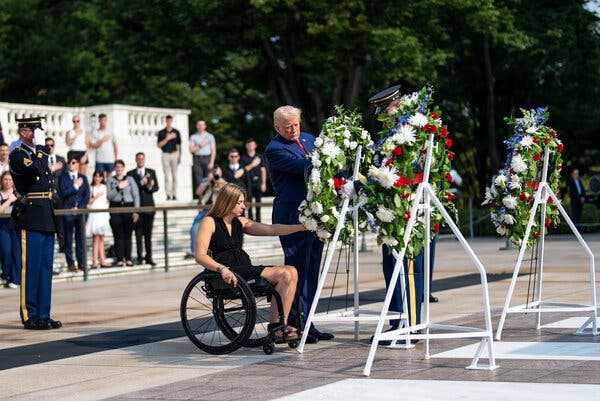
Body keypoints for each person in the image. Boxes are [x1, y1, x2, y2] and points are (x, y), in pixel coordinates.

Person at [195, 183, 303, 337]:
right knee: (285, 273)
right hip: (226, 271)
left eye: (243, 202)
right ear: (227, 201)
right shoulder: (209, 222)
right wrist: (222, 268)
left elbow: (271, 229)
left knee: (292, 271)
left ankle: (279, 325)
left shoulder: (241, 222)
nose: (244, 206)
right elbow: (200, 255)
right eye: (239, 202)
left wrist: (300, 228)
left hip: (244, 269)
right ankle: (277, 327)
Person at [264, 105, 332, 343]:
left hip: (315, 215)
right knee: (297, 270)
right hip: (292, 217)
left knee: (313, 270)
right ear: (276, 127)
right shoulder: (275, 149)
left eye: (296, 124)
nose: (293, 130)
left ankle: (308, 320)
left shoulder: (309, 139)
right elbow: (305, 167)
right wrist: (332, 158)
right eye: (287, 126)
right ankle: (294, 323)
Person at [9, 117, 61, 330]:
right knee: (30, 268)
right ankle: (29, 314)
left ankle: (43, 313)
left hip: (46, 214)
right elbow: (37, 171)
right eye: (34, 130)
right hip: (31, 215)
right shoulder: (18, 155)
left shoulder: (37, 154)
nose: (38, 134)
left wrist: (41, 149)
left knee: (45, 267)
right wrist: (41, 147)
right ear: (23, 132)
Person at [58, 157, 90, 272]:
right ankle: (71, 263)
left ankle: (81, 263)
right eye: (69, 163)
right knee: (68, 239)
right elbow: (63, 193)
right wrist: (75, 186)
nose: (71, 164)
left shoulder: (83, 178)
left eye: (73, 162)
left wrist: (79, 207)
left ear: (77, 164)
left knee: (80, 239)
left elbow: (86, 196)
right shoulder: (62, 177)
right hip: (68, 212)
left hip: (80, 213)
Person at [127, 152, 158, 266]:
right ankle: (140, 257)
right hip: (137, 208)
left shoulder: (151, 172)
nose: (140, 160)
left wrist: (150, 186)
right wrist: (141, 183)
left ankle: (149, 257)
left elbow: (156, 187)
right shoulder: (130, 174)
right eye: (138, 159)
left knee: (148, 234)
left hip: (149, 206)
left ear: (144, 160)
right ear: (135, 160)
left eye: (142, 159)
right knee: (138, 234)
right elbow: (131, 189)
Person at [107, 159, 140, 267]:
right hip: (115, 208)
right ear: (115, 168)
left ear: (123, 168)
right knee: (118, 234)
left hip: (128, 207)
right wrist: (118, 188)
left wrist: (136, 211)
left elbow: (135, 195)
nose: (119, 169)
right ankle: (120, 258)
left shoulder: (129, 179)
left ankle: (128, 258)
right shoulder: (110, 180)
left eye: (121, 167)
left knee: (128, 234)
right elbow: (109, 196)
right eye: (117, 167)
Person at [87, 171, 112, 268]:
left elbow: (108, 200)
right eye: (96, 176)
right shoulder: (91, 188)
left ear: (102, 178)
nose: (97, 178)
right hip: (94, 214)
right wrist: (96, 196)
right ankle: (94, 261)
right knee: (95, 239)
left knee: (101, 238)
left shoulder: (105, 187)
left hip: (103, 214)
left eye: (99, 177)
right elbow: (88, 202)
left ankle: (102, 260)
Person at [0, 172, 19, 288]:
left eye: (10, 180)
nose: (8, 182)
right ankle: (6, 274)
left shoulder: (17, 194)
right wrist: (9, 200)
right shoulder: (1, 194)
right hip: (3, 226)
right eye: (5, 179)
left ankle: (15, 279)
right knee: (6, 251)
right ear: (2, 181)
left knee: (16, 253)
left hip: (16, 226)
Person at [241, 138, 267, 222]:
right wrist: (253, 164)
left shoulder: (259, 157)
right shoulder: (243, 158)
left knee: (258, 202)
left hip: (258, 182)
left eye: (252, 145)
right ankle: (250, 219)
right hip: (248, 183)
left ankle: (258, 220)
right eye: (249, 145)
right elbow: (243, 170)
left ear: (255, 146)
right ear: (246, 146)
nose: (250, 146)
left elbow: (263, 170)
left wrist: (263, 183)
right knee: (249, 202)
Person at [157, 115, 181, 200]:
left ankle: (174, 194)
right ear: (166, 121)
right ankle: (168, 194)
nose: (169, 122)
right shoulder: (161, 132)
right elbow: (159, 145)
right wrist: (167, 138)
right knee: (167, 176)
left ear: (172, 121)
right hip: (165, 154)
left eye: (170, 120)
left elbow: (178, 145)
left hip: (174, 154)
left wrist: (179, 156)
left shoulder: (176, 132)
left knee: (175, 176)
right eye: (168, 120)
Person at [189, 120, 216, 195]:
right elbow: (191, 150)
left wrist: (212, 162)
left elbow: (213, 150)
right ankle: (201, 199)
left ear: (205, 126)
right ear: (196, 126)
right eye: (199, 125)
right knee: (199, 180)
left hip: (208, 158)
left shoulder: (210, 136)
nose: (200, 126)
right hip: (197, 158)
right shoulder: (193, 137)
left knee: (209, 179)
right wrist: (201, 145)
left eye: (202, 125)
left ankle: (209, 199)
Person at [90, 114, 118, 179]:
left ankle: (108, 189)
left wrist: (116, 158)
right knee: (99, 177)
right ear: (99, 121)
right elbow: (94, 146)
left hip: (110, 159)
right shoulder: (95, 132)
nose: (103, 122)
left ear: (106, 120)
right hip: (99, 159)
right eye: (102, 120)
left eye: (105, 120)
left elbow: (115, 145)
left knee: (109, 178)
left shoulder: (111, 132)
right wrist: (102, 140)